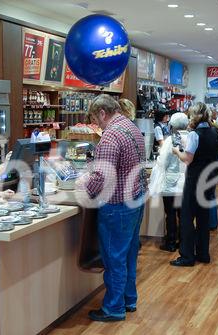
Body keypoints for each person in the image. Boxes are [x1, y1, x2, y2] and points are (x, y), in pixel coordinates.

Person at [79, 94, 146, 322]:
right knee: (128, 254)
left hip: (117, 205)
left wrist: (84, 187)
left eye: (95, 120)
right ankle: (129, 299)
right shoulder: (131, 127)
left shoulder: (110, 136)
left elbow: (102, 177)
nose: (96, 125)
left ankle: (113, 308)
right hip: (136, 200)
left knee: (114, 258)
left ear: (102, 113)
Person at [170, 102, 218, 267]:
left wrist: (177, 151)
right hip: (210, 179)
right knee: (203, 217)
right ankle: (203, 254)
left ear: (194, 116)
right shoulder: (215, 131)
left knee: (187, 217)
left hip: (195, 180)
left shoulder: (195, 135)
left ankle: (187, 256)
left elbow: (187, 159)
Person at [149, 113, 189, 252]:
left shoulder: (170, 140)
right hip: (188, 181)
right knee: (183, 214)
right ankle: (184, 242)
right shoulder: (192, 137)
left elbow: (163, 161)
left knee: (170, 213)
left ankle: (171, 242)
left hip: (171, 182)